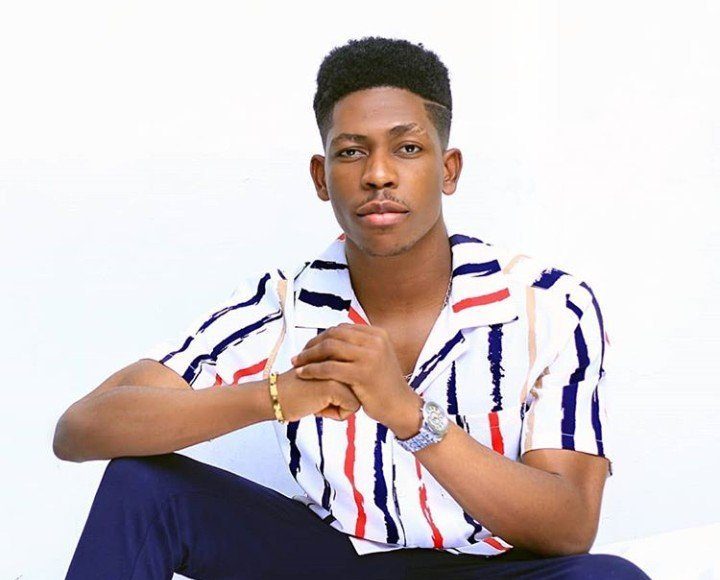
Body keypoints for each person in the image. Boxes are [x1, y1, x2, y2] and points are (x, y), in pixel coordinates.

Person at [54, 36, 649, 579]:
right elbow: (80, 429)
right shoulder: (284, 307)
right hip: (334, 564)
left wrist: (408, 413)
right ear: (321, 178)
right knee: (142, 485)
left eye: (407, 148)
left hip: (494, 571)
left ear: (448, 170)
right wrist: (277, 395)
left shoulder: (548, 305)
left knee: (611, 578)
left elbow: (570, 527)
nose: (379, 174)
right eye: (351, 153)